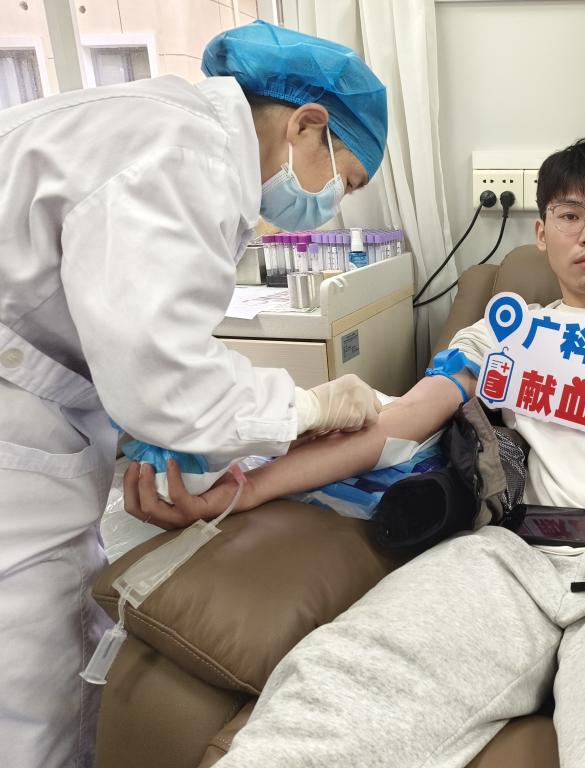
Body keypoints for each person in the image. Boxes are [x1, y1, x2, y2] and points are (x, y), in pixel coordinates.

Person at [128, 138, 585, 767]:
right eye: (569, 216)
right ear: (542, 233)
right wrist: (247, 489)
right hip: (513, 560)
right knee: (341, 687)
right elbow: (400, 423)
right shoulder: (505, 333)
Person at [0, 20, 389, 768]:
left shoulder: (177, 136)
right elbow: (162, 374)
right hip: (17, 408)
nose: (333, 204)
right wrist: (309, 407)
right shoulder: (185, 156)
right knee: (31, 672)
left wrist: (167, 423)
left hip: (38, 390)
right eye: (344, 180)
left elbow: (138, 341)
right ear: (308, 125)